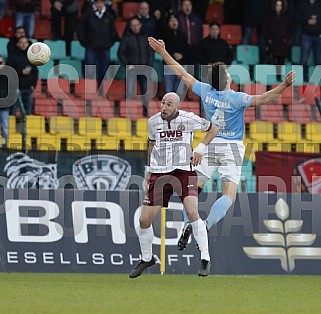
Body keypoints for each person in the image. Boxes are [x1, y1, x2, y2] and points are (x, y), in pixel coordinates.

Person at [147, 36, 295, 250]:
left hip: (209, 143)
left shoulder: (206, 92)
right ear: (226, 79)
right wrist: (285, 85)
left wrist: (162, 52)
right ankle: (205, 226)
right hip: (232, 147)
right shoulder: (237, 98)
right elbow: (265, 98)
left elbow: (181, 73)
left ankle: (189, 224)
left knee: (194, 188)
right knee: (229, 195)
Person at [129, 92, 219, 278]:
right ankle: (147, 258)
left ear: (177, 107)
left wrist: (200, 148)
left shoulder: (189, 119)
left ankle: (205, 258)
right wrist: (149, 170)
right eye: (162, 103)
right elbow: (151, 145)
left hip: (183, 171)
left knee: (192, 212)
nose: (164, 107)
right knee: (144, 220)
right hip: (159, 173)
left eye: (169, 104)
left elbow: (214, 128)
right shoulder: (153, 122)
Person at [118, 17, 154, 116]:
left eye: (136, 25)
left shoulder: (145, 38)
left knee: (145, 93)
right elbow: (121, 53)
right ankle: (128, 112)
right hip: (132, 69)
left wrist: (149, 65)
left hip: (144, 69)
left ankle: (145, 112)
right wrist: (127, 64)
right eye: (133, 26)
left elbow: (151, 53)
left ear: (140, 25)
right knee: (129, 91)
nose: (135, 27)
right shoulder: (126, 38)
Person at [77, 0, 119, 86]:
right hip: (91, 48)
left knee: (103, 71)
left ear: (104, 4)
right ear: (94, 4)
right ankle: (89, 90)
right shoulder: (87, 15)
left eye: (101, 2)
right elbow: (80, 30)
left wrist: (109, 43)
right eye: (97, 2)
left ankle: (101, 91)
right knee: (89, 70)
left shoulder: (109, 16)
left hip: (105, 48)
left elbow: (114, 32)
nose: (99, 4)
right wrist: (86, 43)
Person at [6, 36, 38, 115]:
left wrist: (34, 85)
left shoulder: (31, 57)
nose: (23, 45)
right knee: (12, 112)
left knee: (28, 113)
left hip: (28, 89)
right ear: (18, 44)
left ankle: (26, 127)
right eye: (21, 42)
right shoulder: (12, 57)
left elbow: (35, 72)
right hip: (15, 89)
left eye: (25, 43)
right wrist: (21, 72)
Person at [161, 14, 189, 98]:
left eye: (175, 20)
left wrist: (182, 55)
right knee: (168, 90)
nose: (174, 22)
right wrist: (173, 55)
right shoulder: (164, 35)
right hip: (168, 65)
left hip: (181, 65)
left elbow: (188, 50)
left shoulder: (182, 36)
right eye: (172, 21)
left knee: (179, 91)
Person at [295, 0, 321, 81]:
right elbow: (296, 18)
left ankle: (318, 79)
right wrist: (307, 21)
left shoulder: (319, 3)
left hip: (318, 35)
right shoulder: (302, 3)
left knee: (319, 59)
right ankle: (302, 79)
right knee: (304, 59)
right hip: (306, 35)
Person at [263, 0, 293, 67]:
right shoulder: (269, 17)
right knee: (272, 61)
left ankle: (280, 76)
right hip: (272, 43)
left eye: (280, 5)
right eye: (277, 5)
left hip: (282, 43)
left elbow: (290, 31)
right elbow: (265, 29)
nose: (278, 7)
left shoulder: (287, 18)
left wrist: (286, 40)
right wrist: (268, 39)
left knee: (281, 62)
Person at [0, 55, 9, 147]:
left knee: (5, 127)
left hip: (4, 106)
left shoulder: (8, 75)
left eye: (0, 63)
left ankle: (5, 144)